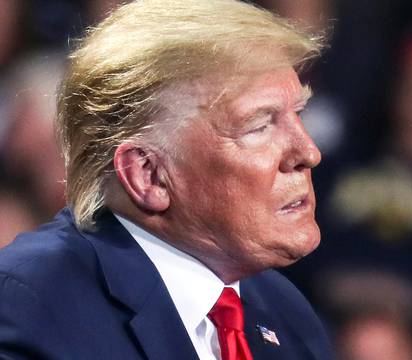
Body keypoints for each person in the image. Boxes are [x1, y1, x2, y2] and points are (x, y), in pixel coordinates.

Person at [0, 0, 333, 359]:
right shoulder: (32, 305)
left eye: (298, 113)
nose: (308, 152)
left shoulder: (285, 312)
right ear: (148, 175)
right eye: (259, 126)